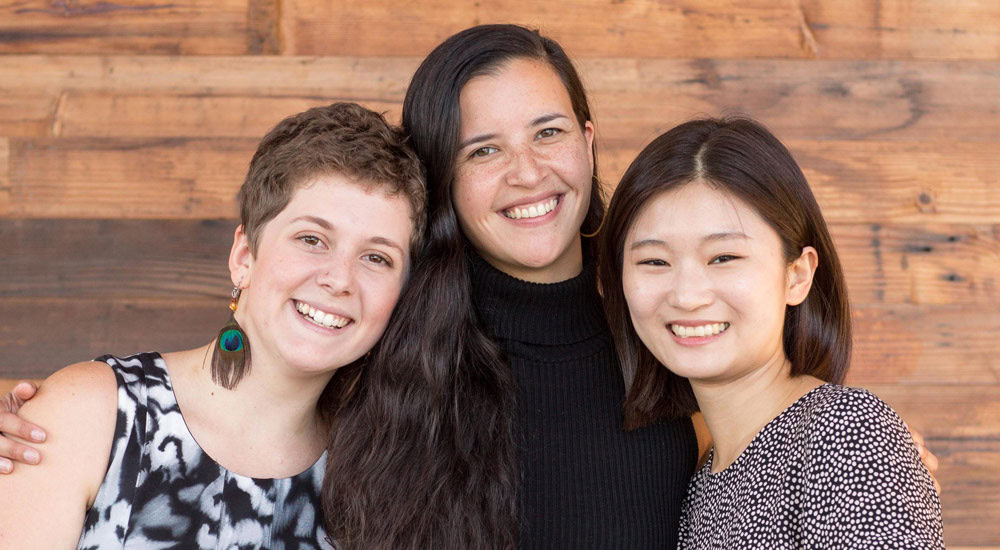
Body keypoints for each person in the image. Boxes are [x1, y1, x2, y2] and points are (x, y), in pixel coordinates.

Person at [0, 24, 939, 550]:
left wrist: (865, 460)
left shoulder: (666, 363)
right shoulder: (385, 350)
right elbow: (238, 408)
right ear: (444, 183)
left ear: (589, 138)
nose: (526, 173)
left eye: (546, 133)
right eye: (483, 150)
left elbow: (799, 456)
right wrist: (62, 417)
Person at [0, 102, 426, 548]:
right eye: (311, 239)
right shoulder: (95, 415)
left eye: (377, 258)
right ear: (244, 258)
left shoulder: (381, 481)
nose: (340, 280)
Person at [597, 116, 944, 548]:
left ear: (797, 275)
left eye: (723, 257)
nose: (686, 296)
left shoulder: (846, 434)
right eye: (654, 261)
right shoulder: (701, 481)